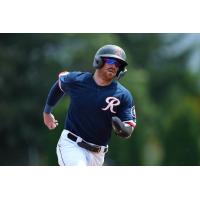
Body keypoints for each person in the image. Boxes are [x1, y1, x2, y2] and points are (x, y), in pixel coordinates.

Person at [43, 44, 137, 166]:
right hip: (72, 145)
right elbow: (60, 85)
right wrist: (47, 112)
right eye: (110, 60)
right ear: (99, 61)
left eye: (118, 64)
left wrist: (122, 129)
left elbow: (128, 128)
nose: (114, 65)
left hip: (98, 155)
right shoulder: (78, 80)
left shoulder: (123, 95)